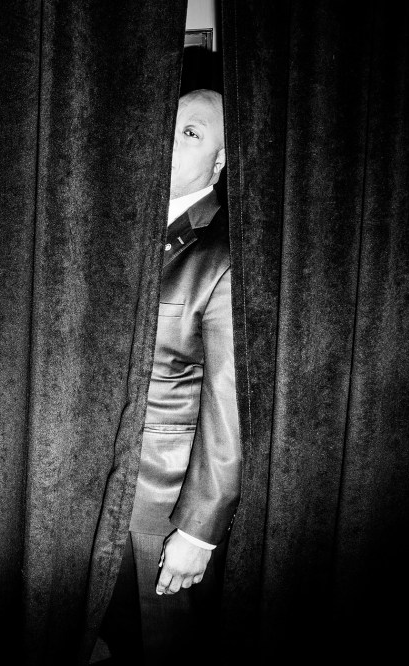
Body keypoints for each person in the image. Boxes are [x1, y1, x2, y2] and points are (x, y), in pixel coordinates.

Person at [99, 89, 240, 664]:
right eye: (168, 125)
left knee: (158, 653)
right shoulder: (107, 231)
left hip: (158, 508)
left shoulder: (223, 252)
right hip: (83, 493)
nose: (168, 141)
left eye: (191, 133)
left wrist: (198, 532)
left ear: (221, 159)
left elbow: (230, 404)